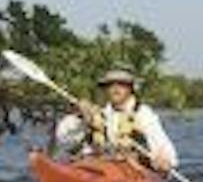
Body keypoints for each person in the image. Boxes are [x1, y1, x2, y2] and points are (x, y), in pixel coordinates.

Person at [50, 68, 179, 173]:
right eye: (111, 84)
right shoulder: (97, 112)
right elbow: (62, 137)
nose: (115, 88)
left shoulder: (143, 114)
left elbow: (166, 150)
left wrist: (164, 160)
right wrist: (80, 117)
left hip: (132, 169)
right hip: (96, 166)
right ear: (106, 89)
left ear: (131, 88)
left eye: (122, 84)